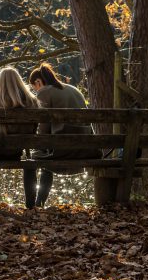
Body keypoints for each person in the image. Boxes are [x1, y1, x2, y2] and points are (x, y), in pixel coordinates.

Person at [27, 63, 100, 207]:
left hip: (64, 150)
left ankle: (37, 204)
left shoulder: (45, 92)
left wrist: (38, 145)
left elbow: (43, 126)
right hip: (86, 149)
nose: (35, 91)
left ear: (38, 82)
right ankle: (38, 203)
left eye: (33, 88)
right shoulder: (74, 89)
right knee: (46, 152)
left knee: (35, 158)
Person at [0, 67, 40, 208]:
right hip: (16, 153)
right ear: (19, 83)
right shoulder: (33, 104)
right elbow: (34, 130)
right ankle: (31, 206)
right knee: (30, 165)